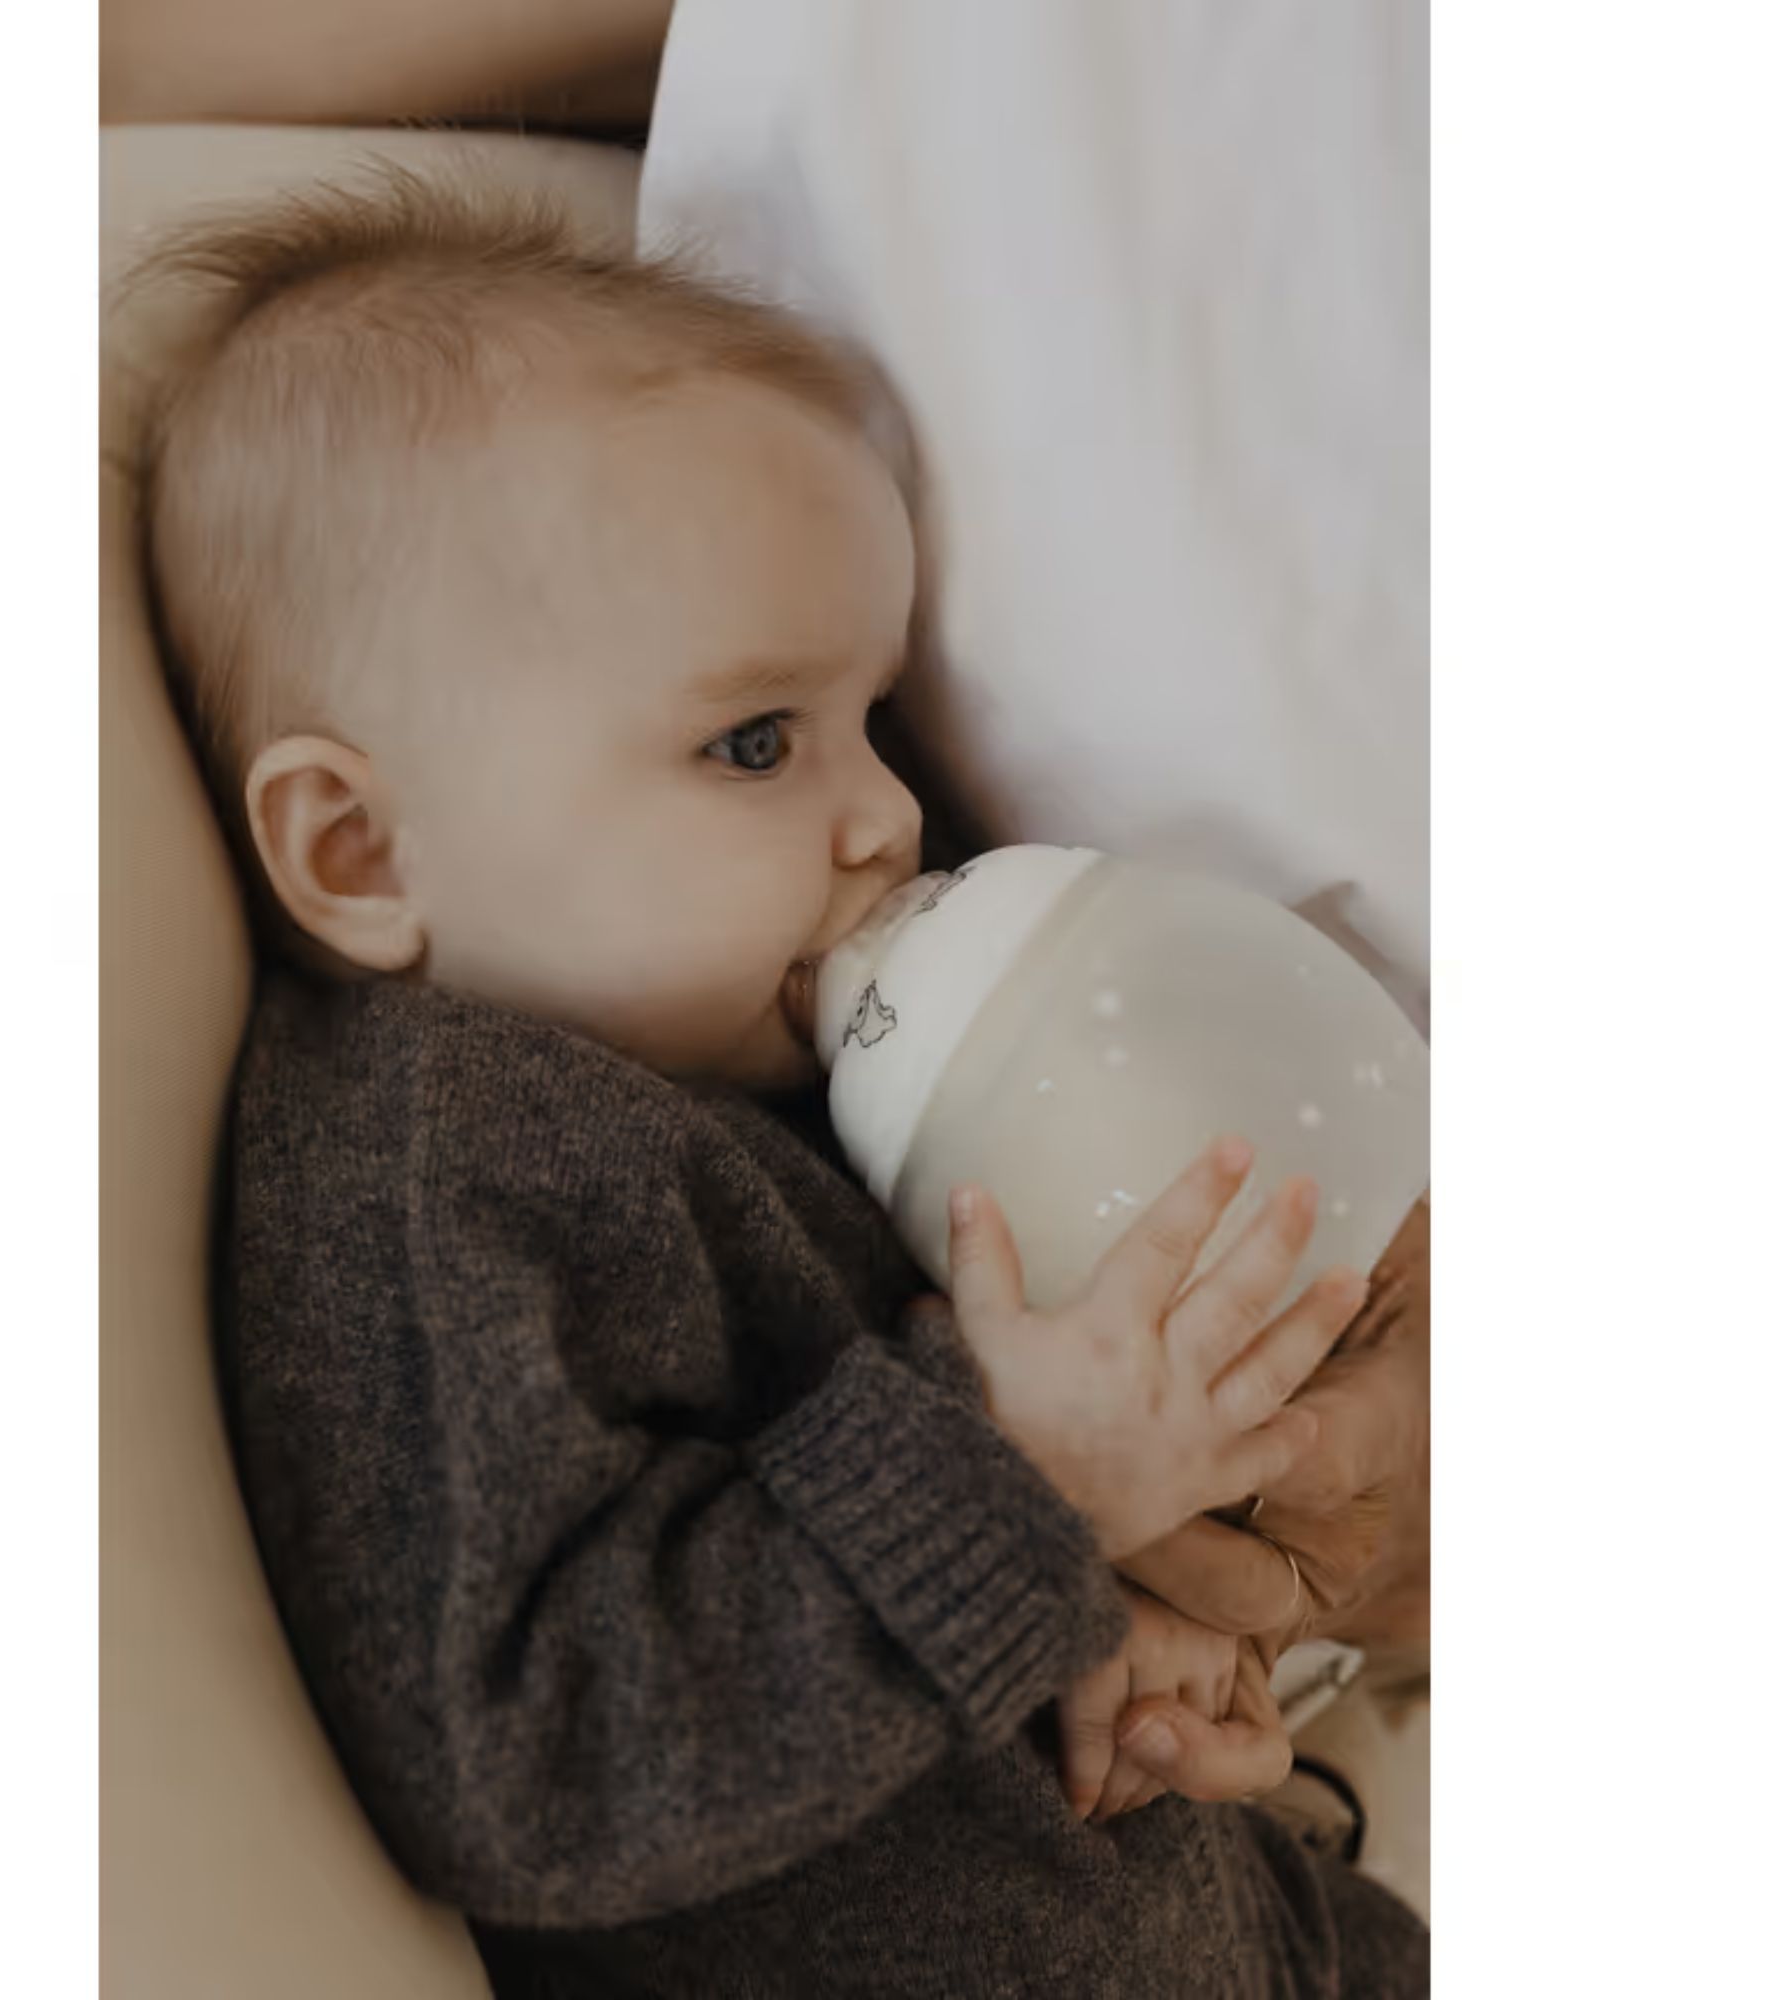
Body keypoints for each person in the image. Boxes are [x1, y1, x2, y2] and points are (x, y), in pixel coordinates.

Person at [132, 169, 1429, 1994]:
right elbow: (542, 1764)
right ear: (357, 850)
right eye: (754, 742)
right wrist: (1015, 1476)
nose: (889, 814)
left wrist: (1100, 1609)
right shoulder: (438, 1181)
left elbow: (846, 1587)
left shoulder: (738, 1082)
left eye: (871, 721)